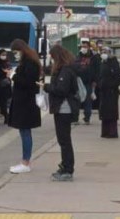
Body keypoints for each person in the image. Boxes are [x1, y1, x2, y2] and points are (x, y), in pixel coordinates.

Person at [41, 45, 78, 181]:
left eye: (52, 57)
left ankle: (68, 168)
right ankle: (65, 165)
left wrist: (46, 87)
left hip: (64, 108)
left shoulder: (65, 71)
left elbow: (61, 90)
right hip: (61, 108)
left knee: (64, 140)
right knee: (63, 139)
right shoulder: (65, 69)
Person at [8, 39, 42, 174]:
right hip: (24, 103)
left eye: (16, 52)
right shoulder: (29, 61)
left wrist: (13, 76)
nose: (15, 55)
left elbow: (27, 82)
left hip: (26, 104)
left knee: (25, 132)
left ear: (22, 50)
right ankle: (25, 161)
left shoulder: (30, 63)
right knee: (24, 131)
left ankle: (25, 162)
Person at [74, 41, 100, 125]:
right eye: (82, 46)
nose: (83, 48)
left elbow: (97, 70)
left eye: (85, 46)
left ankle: (87, 117)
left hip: (89, 81)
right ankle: (75, 118)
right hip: (78, 81)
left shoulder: (94, 57)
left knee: (87, 100)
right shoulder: (78, 56)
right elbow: (74, 66)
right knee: (77, 99)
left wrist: (95, 81)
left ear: (89, 47)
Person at [98, 47, 120, 138]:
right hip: (103, 91)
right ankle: (105, 131)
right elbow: (100, 75)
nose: (103, 53)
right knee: (104, 112)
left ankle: (112, 132)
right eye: (102, 51)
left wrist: (111, 86)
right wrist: (100, 84)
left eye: (105, 52)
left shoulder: (114, 62)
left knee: (111, 112)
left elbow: (117, 77)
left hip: (112, 91)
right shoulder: (103, 62)